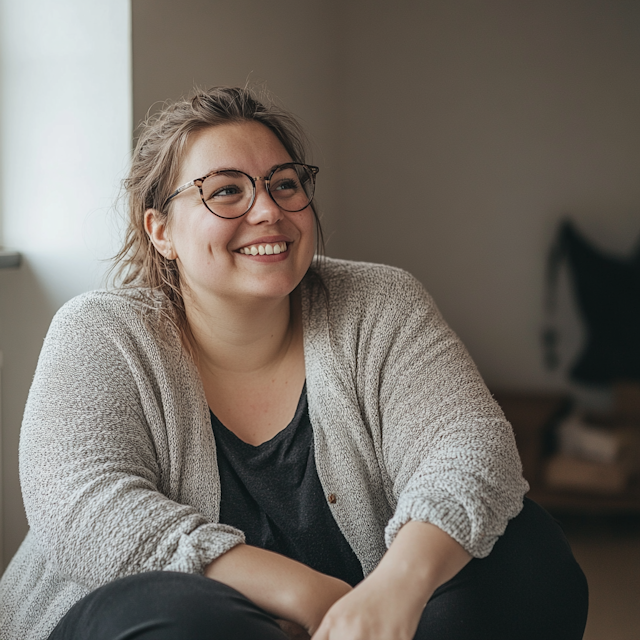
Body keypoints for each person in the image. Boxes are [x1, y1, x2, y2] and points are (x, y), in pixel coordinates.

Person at [0, 87, 587, 640]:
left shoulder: (380, 303)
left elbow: (470, 447)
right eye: (226, 190)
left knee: (527, 556)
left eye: (284, 184)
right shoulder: (102, 329)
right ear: (161, 232)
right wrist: (312, 594)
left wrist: (394, 588)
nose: (269, 211)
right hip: (156, 622)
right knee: (182, 615)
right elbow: (81, 505)